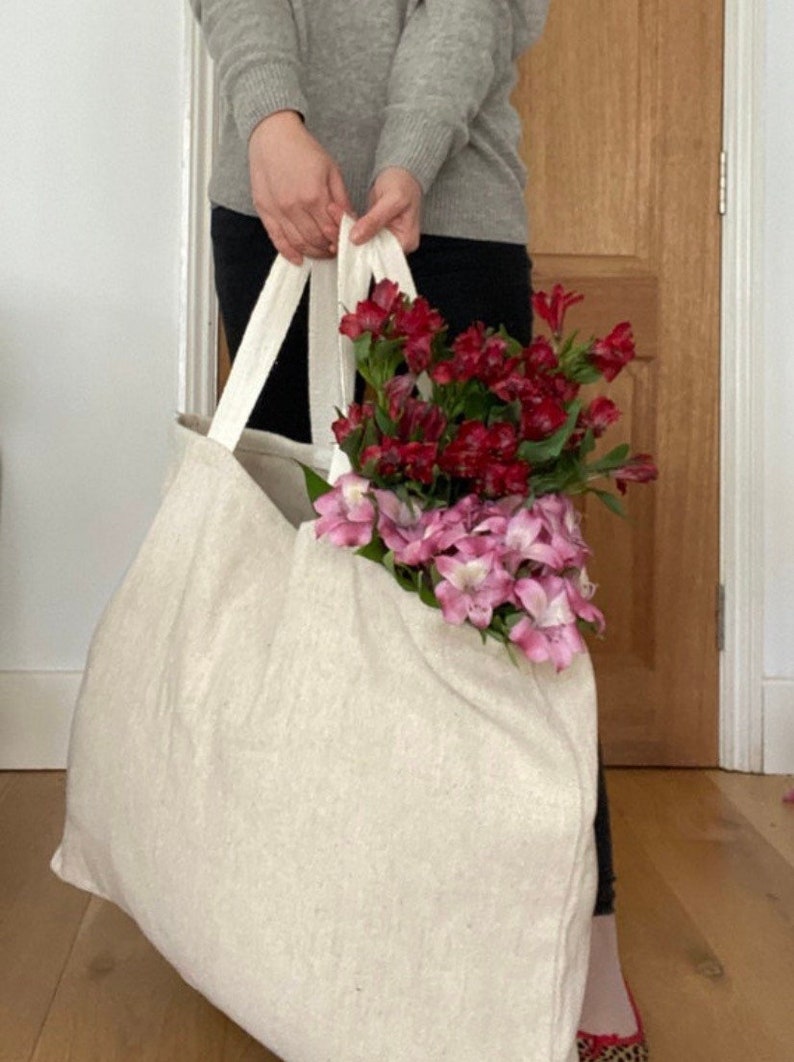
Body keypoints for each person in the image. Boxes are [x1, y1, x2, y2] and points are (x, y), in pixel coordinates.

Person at [189, 3, 647, 1058]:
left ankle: (582, 942)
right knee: (297, 585)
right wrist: (268, 120)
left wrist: (407, 156)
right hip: (266, 210)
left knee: (499, 600)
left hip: (446, 213)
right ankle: (318, 934)